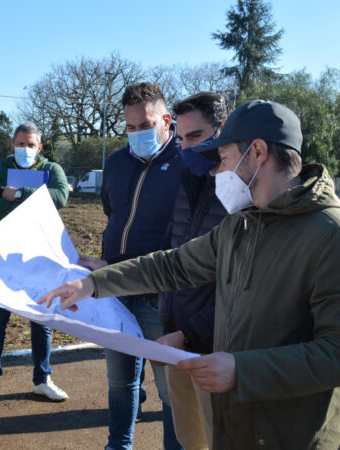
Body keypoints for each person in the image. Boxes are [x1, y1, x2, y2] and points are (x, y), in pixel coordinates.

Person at [40, 100, 340, 449]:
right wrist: (94, 283)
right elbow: (173, 266)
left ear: (258, 152)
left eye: (226, 159)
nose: (217, 172)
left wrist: (242, 371)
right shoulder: (242, 223)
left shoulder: (335, 237)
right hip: (235, 426)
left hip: (291, 435)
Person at [78, 82, 184, 450]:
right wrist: (109, 266)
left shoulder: (187, 164)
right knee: (121, 383)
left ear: (166, 120)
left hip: (163, 295)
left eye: (146, 124)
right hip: (118, 292)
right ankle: (117, 446)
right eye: (130, 127)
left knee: (172, 391)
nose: (137, 133)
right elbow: (113, 213)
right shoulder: (117, 163)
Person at [156, 92, 230, 450]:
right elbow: (174, 260)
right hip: (180, 342)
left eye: (196, 137)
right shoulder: (187, 184)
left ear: (223, 129)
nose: (185, 148)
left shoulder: (240, 194)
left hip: (218, 350)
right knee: (190, 440)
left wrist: (189, 333)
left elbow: (241, 287)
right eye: (181, 139)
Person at [0, 122, 70, 405]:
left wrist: (17, 194)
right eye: (20, 144)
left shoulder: (52, 170)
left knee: (41, 319)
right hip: (3, 254)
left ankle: (42, 379)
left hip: (38, 255)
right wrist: (35, 199)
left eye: (30, 145)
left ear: (39, 148)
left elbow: (60, 197)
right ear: (12, 145)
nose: (25, 149)